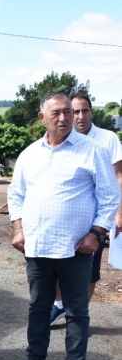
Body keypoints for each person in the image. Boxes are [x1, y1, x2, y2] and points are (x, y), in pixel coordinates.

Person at [7, 92, 120, 360]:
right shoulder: (30, 154)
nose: (64, 118)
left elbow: (110, 196)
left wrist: (96, 233)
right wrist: (18, 229)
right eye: (56, 113)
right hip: (38, 248)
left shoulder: (91, 151)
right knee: (38, 307)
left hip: (76, 248)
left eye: (68, 112)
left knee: (76, 311)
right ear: (42, 118)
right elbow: (16, 195)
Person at [50, 92, 122, 326]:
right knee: (60, 264)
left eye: (85, 111)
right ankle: (60, 304)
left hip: (96, 220)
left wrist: (118, 213)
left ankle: (79, 313)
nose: (80, 116)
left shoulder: (107, 138)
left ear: (92, 112)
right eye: (75, 111)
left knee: (89, 269)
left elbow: (118, 177)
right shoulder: (61, 138)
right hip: (66, 218)